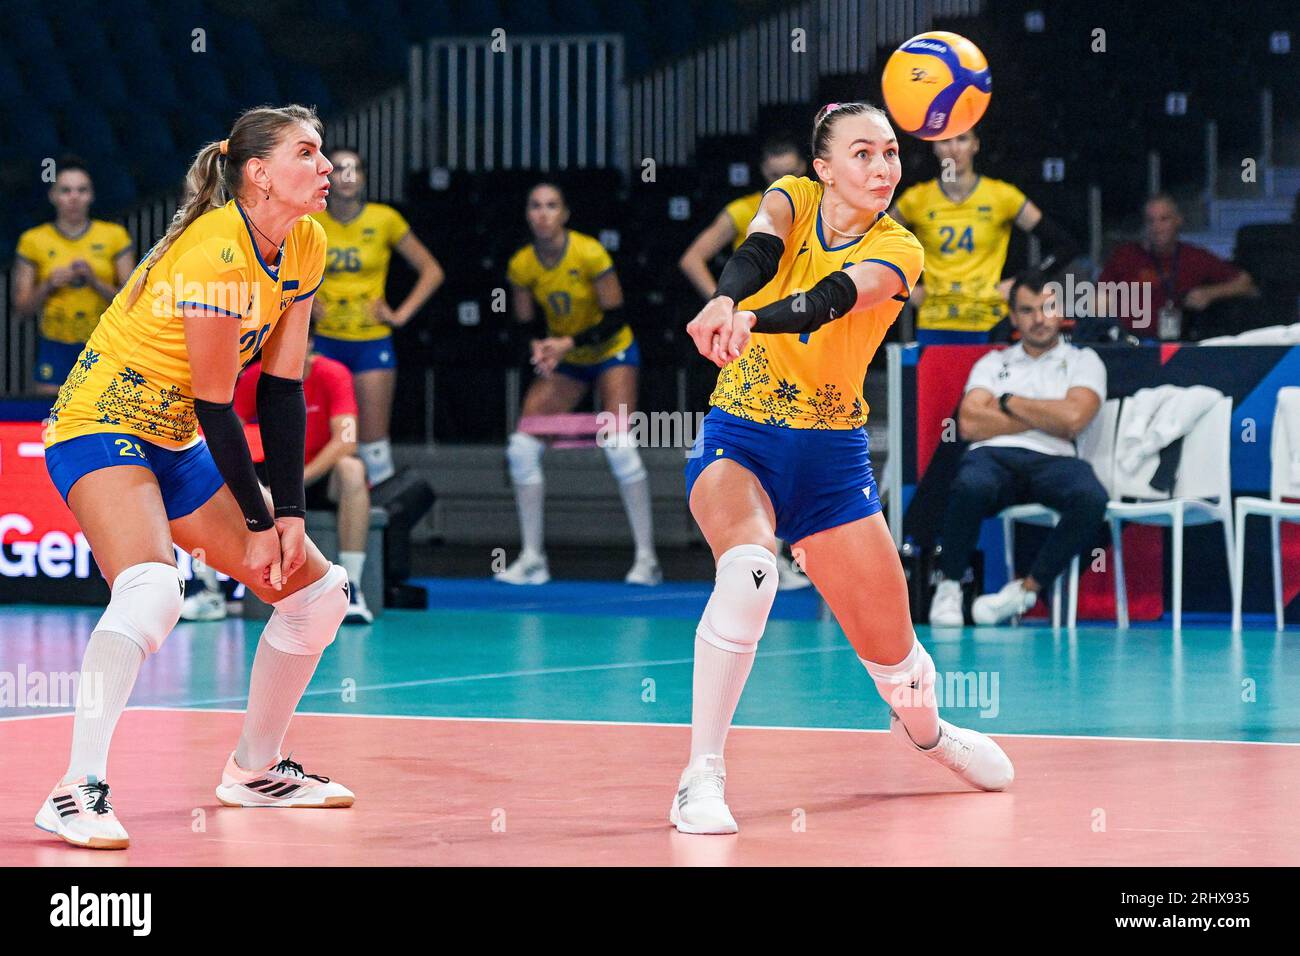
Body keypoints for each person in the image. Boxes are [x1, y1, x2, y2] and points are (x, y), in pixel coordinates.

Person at [675, 102, 1014, 834]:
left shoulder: (901, 248)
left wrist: (747, 319)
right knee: (749, 571)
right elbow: (758, 252)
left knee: (904, 676)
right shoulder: (791, 198)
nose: (883, 168)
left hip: (832, 460)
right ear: (823, 168)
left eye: (891, 154)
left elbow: (827, 302)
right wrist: (727, 297)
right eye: (862, 154)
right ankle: (700, 774)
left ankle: (929, 736)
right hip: (744, 437)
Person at [37, 105, 355, 850]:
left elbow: (281, 388)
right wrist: (257, 515)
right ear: (258, 175)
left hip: (175, 438)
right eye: (308, 154)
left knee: (317, 593)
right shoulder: (215, 252)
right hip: (99, 423)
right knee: (153, 589)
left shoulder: (306, 240)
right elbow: (218, 404)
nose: (327, 167)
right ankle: (74, 790)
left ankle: (255, 769)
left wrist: (293, 516)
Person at [497, 182, 661, 586]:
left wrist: (568, 342)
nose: (543, 214)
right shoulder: (521, 264)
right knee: (521, 447)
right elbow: (522, 325)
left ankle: (648, 560)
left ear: (565, 213)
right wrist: (538, 347)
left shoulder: (589, 252)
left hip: (611, 352)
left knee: (620, 445)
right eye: (535, 206)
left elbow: (616, 318)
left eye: (552, 206)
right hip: (568, 361)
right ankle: (533, 559)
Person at [928, 272, 1109, 626]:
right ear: (1013, 317)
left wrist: (1008, 402)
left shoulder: (1084, 361)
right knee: (968, 485)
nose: (1039, 319)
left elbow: (1074, 420)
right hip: (994, 456)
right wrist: (1046, 412)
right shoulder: (993, 363)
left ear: (1061, 312)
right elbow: (969, 424)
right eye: (1027, 310)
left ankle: (1025, 591)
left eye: (1047, 308)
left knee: (1092, 498)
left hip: (1055, 458)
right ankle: (949, 586)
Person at [679, 137, 814, 591]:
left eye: (790, 172)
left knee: (798, 435)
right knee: (752, 440)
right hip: (748, 341)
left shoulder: (817, 214)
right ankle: (760, 554)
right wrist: (721, 305)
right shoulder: (745, 212)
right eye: (774, 176)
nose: (783, 182)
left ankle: (785, 552)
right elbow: (692, 257)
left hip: (797, 335)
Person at [179, 321, 374, 624]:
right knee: (209, 468)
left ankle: (355, 589)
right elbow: (227, 433)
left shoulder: (334, 375)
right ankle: (208, 590)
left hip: (314, 475)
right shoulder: (254, 377)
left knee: (352, 469)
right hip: (268, 478)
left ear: (310, 343)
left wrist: (298, 483)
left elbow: (346, 441)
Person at [311, 148, 444, 486]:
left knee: (373, 443)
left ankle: (381, 532)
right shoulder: (309, 221)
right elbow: (275, 267)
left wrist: (400, 315)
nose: (348, 175)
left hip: (371, 341)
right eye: (340, 168)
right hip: (323, 342)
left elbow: (432, 271)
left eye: (355, 169)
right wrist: (305, 299)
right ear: (327, 175)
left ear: (365, 177)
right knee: (322, 438)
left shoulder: (385, 219)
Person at [891, 128, 1077, 343]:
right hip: (935, 321)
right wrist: (903, 286)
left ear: (975, 144)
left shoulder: (1001, 196)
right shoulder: (916, 199)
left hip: (989, 321)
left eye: (962, 139)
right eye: (945, 141)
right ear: (934, 147)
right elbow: (872, 243)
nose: (953, 149)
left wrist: (1020, 284)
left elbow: (1064, 245)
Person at [12, 158, 136, 395]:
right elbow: (22, 307)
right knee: (49, 419)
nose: (74, 197)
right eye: (65, 190)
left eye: (82, 190)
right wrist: (48, 284)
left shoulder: (114, 236)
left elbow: (132, 299)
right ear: (52, 196)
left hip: (103, 345)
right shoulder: (33, 240)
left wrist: (94, 281)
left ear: (91, 196)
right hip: (54, 345)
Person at [1098, 193, 1256, 340]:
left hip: (1179, 345)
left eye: (1164, 219)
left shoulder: (1194, 257)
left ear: (1178, 221)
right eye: (1150, 221)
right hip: (1130, 345)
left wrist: (1209, 293)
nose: (1157, 227)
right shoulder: (1125, 255)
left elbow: (1247, 284)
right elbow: (1100, 298)